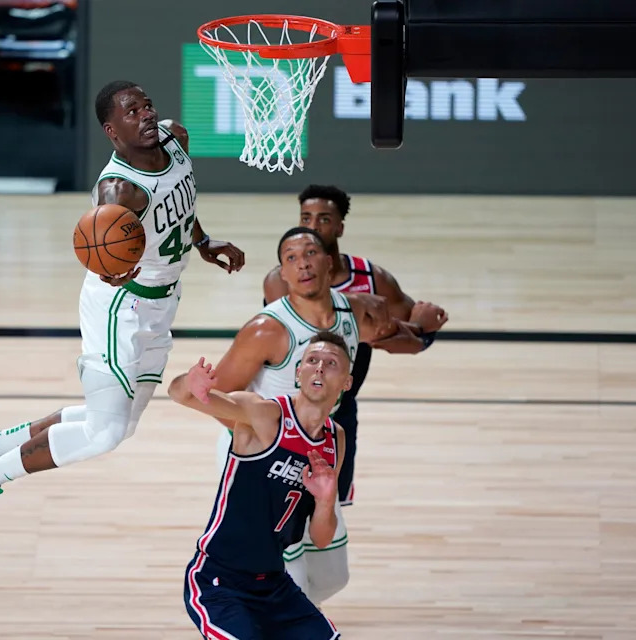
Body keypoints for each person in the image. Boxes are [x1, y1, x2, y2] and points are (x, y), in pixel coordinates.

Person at [0, 80, 246, 542]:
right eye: (130, 111)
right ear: (111, 129)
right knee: (105, 433)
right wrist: (110, 270)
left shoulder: (175, 139)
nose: (144, 115)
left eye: (146, 105)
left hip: (162, 303)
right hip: (122, 306)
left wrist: (201, 241)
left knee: (123, 422)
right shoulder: (118, 191)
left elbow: (183, 199)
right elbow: (99, 249)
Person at [210, 225, 434, 602]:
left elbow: (396, 338)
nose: (303, 265)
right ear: (282, 274)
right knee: (285, 575)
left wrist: (424, 332)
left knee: (331, 575)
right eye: (291, 259)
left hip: (319, 448)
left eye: (310, 254)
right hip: (261, 453)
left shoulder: (358, 310)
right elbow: (216, 396)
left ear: (329, 262)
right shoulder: (266, 329)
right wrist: (267, 445)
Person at [263, 185, 449, 508]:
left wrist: (422, 330)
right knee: (278, 504)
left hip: (339, 408)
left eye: (323, 219)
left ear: (340, 228)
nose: (312, 226)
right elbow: (315, 318)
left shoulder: (371, 278)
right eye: (305, 218)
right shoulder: (283, 279)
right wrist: (399, 326)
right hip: (288, 406)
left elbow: (406, 338)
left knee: (330, 507)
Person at [169, 331, 353, 640]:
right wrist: (191, 383)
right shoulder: (264, 414)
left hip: (274, 587)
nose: (319, 367)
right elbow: (180, 395)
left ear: (346, 382)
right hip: (220, 581)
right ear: (299, 372)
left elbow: (320, 540)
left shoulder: (336, 440)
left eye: (331, 363)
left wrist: (324, 501)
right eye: (312, 360)